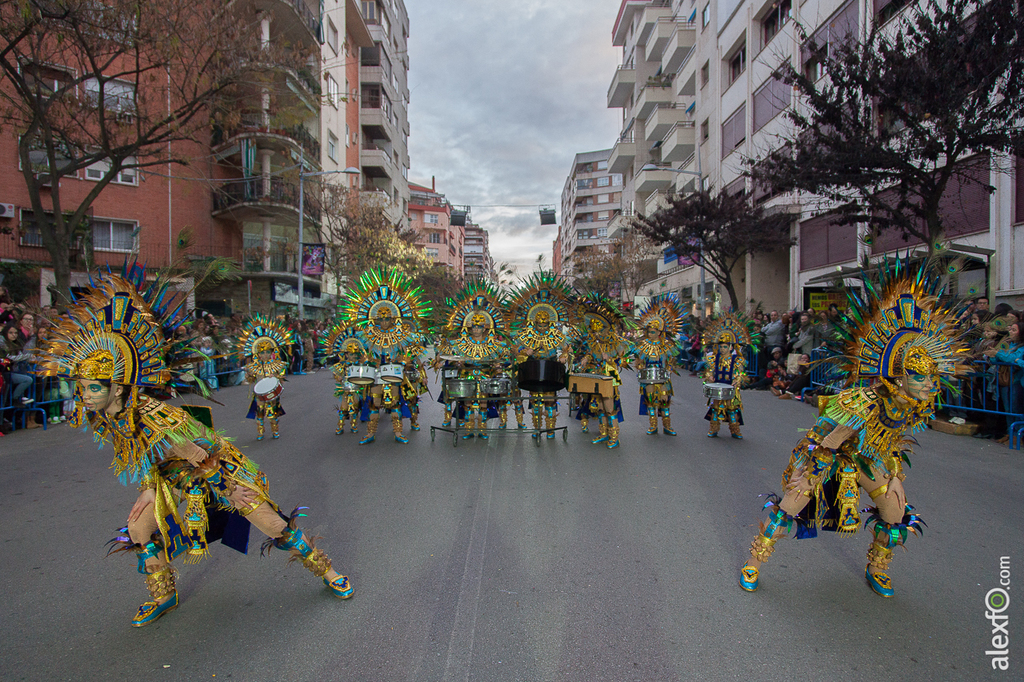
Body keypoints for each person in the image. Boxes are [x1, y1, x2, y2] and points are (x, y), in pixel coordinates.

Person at [33, 267, 352, 628]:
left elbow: (201, 454)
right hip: (168, 476)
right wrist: (149, 489)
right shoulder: (105, 416)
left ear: (117, 387)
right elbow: (145, 458)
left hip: (216, 466)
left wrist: (230, 492)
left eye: (92, 388)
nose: (84, 395)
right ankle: (164, 596)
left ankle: (328, 572)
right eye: (82, 387)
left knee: (272, 524)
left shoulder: (151, 416)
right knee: (138, 529)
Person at [738, 260, 968, 598]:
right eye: (921, 377)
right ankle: (755, 561)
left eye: (932, 377)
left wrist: (891, 474)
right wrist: (810, 477)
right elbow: (827, 441)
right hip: (830, 453)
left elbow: (892, 441)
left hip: (873, 457)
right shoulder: (864, 401)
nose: (929, 384)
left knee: (895, 513)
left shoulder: (916, 404)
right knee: (791, 506)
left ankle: (877, 567)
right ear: (899, 375)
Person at [338, 269, 431, 444]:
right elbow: (359, 353)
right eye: (381, 318)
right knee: (374, 405)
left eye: (388, 318)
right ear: (375, 318)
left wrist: (405, 361)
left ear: (393, 318)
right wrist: (363, 361)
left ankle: (398, 433)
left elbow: (411, 352)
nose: (384, 321)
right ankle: (370, 434)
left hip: (394, 375)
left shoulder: (402, 336)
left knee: (395, 404)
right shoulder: (367, 336)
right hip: (375, 376)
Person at [435, 281, 511, 440]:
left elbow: (505, 355)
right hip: (467, 376)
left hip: (484, 376)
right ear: (469, 328)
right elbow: (446, 352)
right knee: (468, 403)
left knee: (483, 403)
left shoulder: (494, 344)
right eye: (474, 326)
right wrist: (454, 361)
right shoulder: (461, 343)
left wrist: (498, 365)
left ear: (485, 328)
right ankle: (469, 429)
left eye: (479, 326)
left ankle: (482, 429)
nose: (476, 329)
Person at [507, 274, 579, 440]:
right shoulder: (526, 334)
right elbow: (514, 347)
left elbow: (568, 348)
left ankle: (551, 429)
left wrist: (564, 357)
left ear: (550, 322)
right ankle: (537, 428)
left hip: (551, 371)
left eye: (545, 324)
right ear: (534, 321)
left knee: (550, 401)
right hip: (533, 371)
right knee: (536, 402)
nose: (542, 327)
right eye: (539, 324)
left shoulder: (557, 335)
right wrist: (524, 352)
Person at [574, 293, 633, 449]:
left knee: (609, 408)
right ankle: (603, 433)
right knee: (599, 407)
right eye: (594, 326)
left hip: (608, 378)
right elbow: (591, 354)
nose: (596, 329)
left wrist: (611, 360)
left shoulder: (616, 342)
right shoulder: (594, 342)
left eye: (598, 326)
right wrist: (586, 358)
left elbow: (625, 360)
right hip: (595, 377)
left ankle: (614, 437)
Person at [632, 294, 688, 436]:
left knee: (664, 402)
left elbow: (671, 362)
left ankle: (667, 426)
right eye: (648, 331)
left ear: (659, 332)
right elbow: (639, 362)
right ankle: (653, 426)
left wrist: (669, 368)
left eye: (652, 332)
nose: (649, 334)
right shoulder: (643, 345)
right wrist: (639, 366)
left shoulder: (667, 346)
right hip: (649, 378)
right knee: (650, 402)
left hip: (663, 379)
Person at [237, 314, 293, 440]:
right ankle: (260, 432)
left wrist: (277, 377)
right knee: (260, 412)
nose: (265, 355)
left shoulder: (277, 365)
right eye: (262, 352)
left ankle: (275, 431)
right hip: (259, 395)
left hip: (272, 394)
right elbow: (250, 380)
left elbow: (282, 380)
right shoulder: (254, 367)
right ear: (258, 354)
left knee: (273, 414)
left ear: (272, 353)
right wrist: (249, 375)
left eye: (268, 352)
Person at [702, 312, 758, 439]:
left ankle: (735, 430)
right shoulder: (713, 359)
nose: (722, 349)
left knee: (732, 410)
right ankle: (713, 429)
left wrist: (737, 380)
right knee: (715, 409)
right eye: (721, 347)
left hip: (731, 388)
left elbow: (740, 373)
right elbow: (708, 371)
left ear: (731, 347)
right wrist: (709, 376)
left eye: (725, 347)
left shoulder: (737, 360)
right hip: (718, 387)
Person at [321, 322, 371, 435]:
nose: (354, 357)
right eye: (351, 354)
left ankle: (354, 425)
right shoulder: (342, 364)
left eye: (356, 355)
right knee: (343, 408)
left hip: (357, 389)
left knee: (354, 408)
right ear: (346, 354)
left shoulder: (360, 365)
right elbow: (336, 374)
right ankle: (340, 426)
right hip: (345, 389)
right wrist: (338, 377)